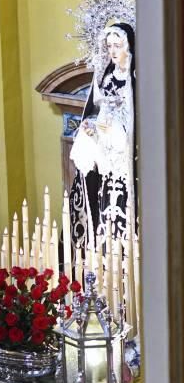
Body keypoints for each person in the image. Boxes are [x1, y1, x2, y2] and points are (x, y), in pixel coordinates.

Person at [70, 22, 136, 248]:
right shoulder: (105, 78)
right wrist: (91, 125)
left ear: (128, 46)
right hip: (106, 152)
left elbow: (137, 117)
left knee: (124, 204)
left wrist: (115, 125)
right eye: (109, 46)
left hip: (126, 155)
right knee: (104, 200)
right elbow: (97, 110)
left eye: (117, 45)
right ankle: (104, 252)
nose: (113, 51)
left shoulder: (135, 80)